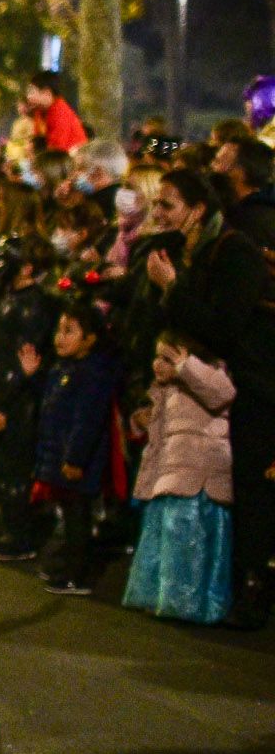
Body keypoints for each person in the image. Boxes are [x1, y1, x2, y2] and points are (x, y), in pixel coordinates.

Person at [144, 168, 272, 627]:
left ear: (198, 210)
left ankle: (251, 587)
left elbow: (222, 327)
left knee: (247, 491)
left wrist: (172, 287)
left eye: (168, 204)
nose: (157, 212)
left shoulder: (234, 251)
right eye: (156, 202)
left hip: (246, 388)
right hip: (191, 387)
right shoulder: (181, 250)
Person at [124, 334, 234, 624]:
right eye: (157, 357)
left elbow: (222, 393)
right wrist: (140, 421)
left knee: (189, 543)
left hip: (198, 478)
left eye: (167, 358)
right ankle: (157, 596)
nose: (158, 365)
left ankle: (185, 603)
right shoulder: (166, 390)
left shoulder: (209, 375)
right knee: (163, 538)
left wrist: (186, 366)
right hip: (171, 476)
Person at [30, 296, 122, 596]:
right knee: (70, 515)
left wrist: (75, 459)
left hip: (76, 463)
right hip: (60, 457)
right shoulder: (64, 368)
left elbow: (87, 421)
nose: (60, 337)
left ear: (90, 339)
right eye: (59, 330)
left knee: (78, 517)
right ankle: (68, 566)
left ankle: (78, 574)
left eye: (70, 331)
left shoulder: (92, 374)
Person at [0, 239, 60, 562]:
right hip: (11, 398)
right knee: (11, 469)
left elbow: (25, 365)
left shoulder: (29, 306)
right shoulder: (17, 299)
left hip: (19, 405)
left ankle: (19, 536)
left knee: (14, 472)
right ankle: (20, 530)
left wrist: (2, 402)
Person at [23, 70, 87, 154]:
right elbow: (37, 139)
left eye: (31, 92)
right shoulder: (39, 111)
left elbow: (56, 151)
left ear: (47, 93)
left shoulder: (60, 113)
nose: (28, 97)